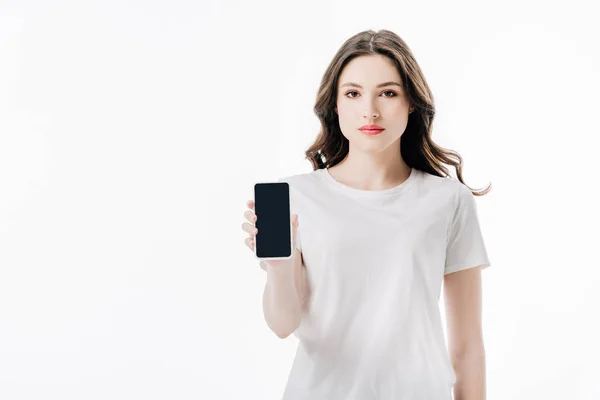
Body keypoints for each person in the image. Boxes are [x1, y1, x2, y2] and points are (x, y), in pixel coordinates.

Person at [241, 29, 492, 400]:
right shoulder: (297, 196)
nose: (370, 110)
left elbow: (467, 346)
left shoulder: (448, 200)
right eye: (353, 93)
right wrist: (278, 265)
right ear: (336, 105)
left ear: (411, 102)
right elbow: (283, 324)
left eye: (388, 93)